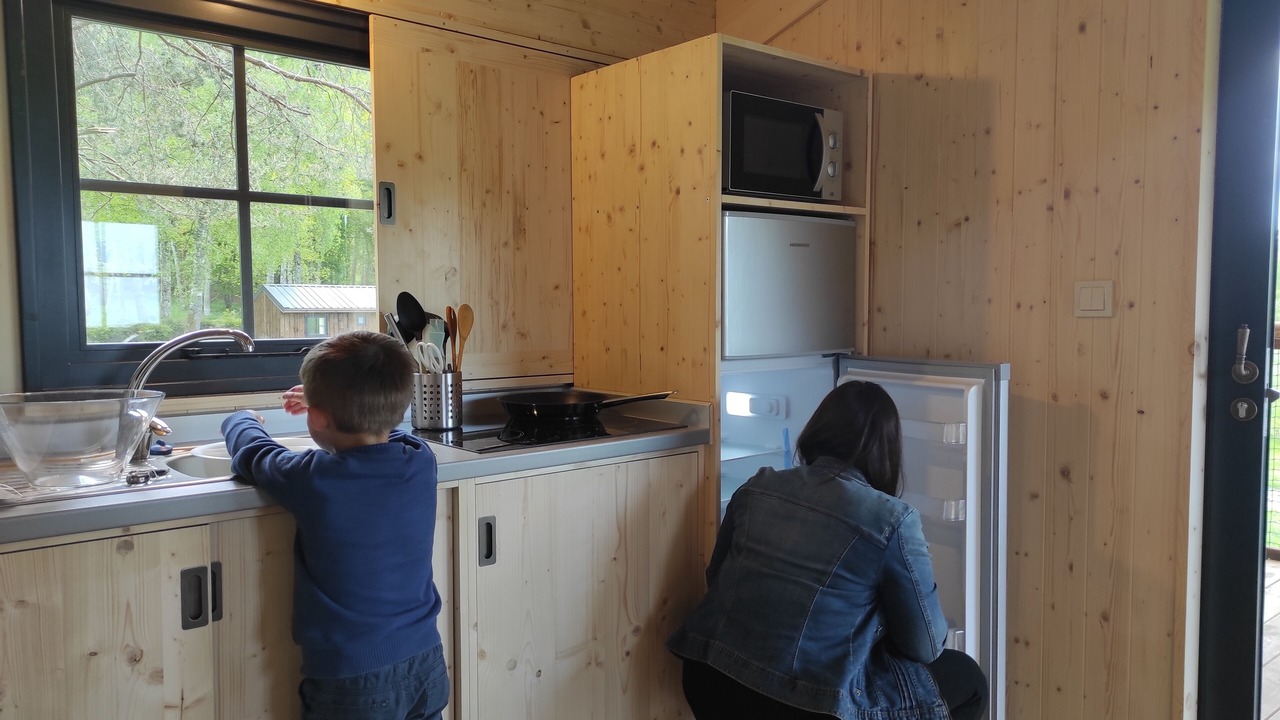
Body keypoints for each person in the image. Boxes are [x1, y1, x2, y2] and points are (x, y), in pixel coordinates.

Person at [667, 380, 988, 720]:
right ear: (887, 450)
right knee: (967, 680)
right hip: (799, 703)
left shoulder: (757, 487)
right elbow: (924, 645)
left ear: (816, 429)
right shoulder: (891, 519)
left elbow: (717, 577)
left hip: (708, 678)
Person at [220, 330, 449, 720]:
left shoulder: (315, 478)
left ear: (318, 416)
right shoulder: (419, 458)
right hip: (425, 663)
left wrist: (241, 419)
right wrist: (330, 402)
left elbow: (254, 453)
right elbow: (385, 430)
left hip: (352, 680)